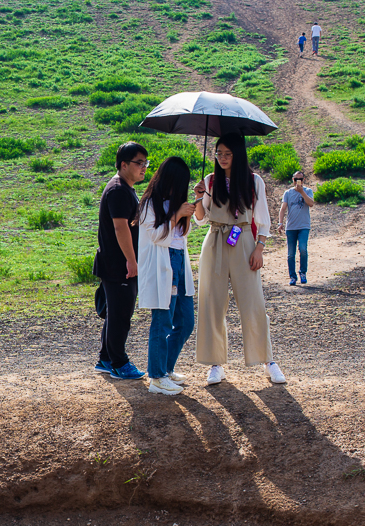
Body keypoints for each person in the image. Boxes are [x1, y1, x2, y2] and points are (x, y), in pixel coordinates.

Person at [192, 134, 284, 385]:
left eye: (227, 154)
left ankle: (268, 360)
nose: (222, 158)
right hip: (215, 240)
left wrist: (259, 249)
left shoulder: (254, 181)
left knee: (253, 301)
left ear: (238, 154)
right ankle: (215, 364)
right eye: (218, 153)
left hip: (243, 239)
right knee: (212, 302)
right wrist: (199, 196)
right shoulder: (210, 181)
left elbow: (263, 217)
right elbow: (200, 219)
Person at [137, 157, 197, 396]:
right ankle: (157, 377)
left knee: (185, 321)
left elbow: (181, 235)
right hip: (163, 264)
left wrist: (187, 214)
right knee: (162, 321)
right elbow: (156, 236)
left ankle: (166, 368)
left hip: (179, 261)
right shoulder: (149, 204)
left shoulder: (176, 202)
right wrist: (176, 214)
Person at [93, 142, 149, 381]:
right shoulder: (118, 189)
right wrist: (131, 260)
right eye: (139, 163)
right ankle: (119, 362)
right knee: (120, 316)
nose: (144, 167)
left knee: (116, 313)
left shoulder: (124, 187)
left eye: (146, 163)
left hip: (115, 263)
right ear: (123, 164)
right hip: (119, 265)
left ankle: (106, 358)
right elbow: (120, 227)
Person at [279, 170, 315, 286]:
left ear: (303, 180)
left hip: (304, 226)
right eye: (295, 179)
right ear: (292, 180)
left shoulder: (308, 191)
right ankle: (292, 277)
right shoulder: (288, 193)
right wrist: (280, 223)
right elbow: (283, 208)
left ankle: (303, 273)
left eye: (300, 179)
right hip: (291, 227)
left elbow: (311, 203)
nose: (297, 181)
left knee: (303, 249)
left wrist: (302, 192)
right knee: (290, 253)